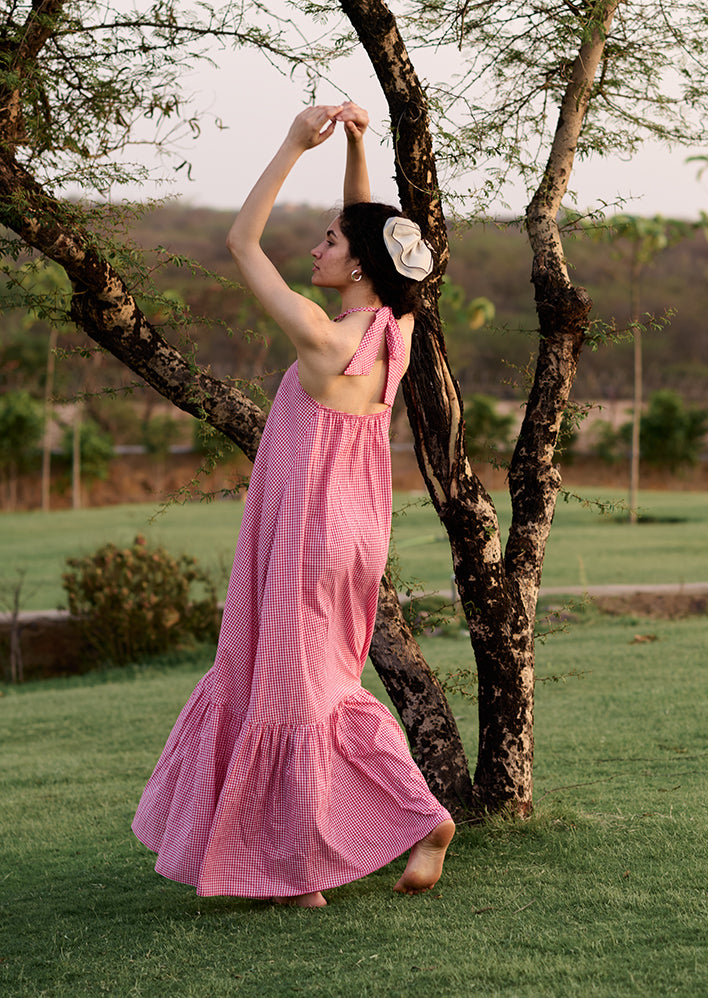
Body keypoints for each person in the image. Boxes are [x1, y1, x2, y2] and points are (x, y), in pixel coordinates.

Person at [132, 102, 455, 908]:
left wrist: (287, 145)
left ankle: (417, 821)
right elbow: (374, 234)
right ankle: (294, 872)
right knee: (308, 693)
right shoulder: (395, 329)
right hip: (353, 534)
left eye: (329, 243)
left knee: (298, 697)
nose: (316, 248)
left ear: (354, 270)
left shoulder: (323, 336)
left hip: (306, 537)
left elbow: (239, 243)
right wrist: (353, 149)